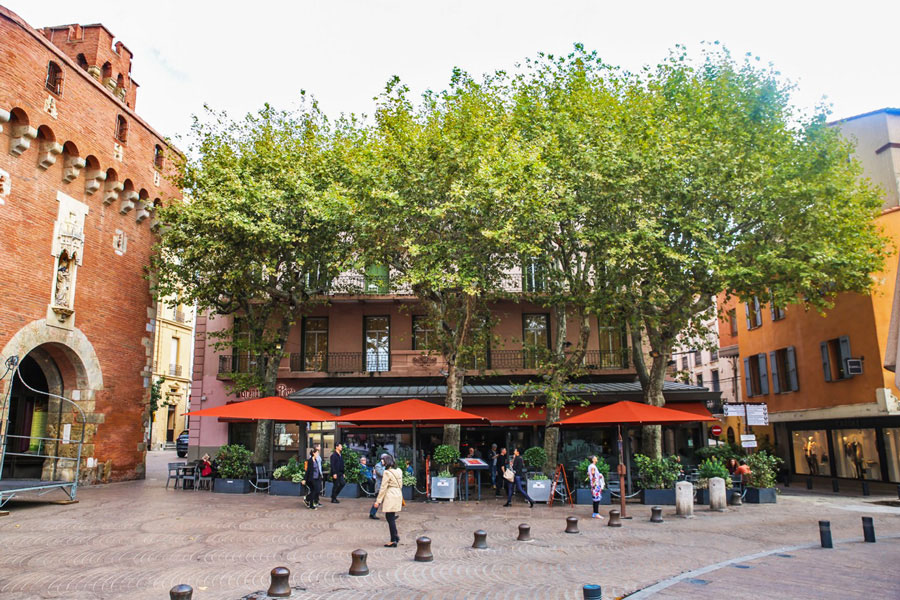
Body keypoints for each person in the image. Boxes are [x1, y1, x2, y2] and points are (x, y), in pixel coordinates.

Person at [374, 454, 403, 547]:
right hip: (398, 494)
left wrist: (378, 501)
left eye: (383, 461)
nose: (382, 462)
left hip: (390, 495)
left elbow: (383, 487)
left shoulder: (387, 473)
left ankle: (393, 539)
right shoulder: (399, 471)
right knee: (391, 516)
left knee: (390, 518)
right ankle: (395, 536)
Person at [369, 454, 388, 520]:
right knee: (378, 501)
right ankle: (372, 513)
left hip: (384, 486)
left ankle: (372, 513)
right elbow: (382, 474)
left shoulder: (386, 466)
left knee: (384, 501)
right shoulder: (378, 466)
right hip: (379, 486)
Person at [587, 455, 605, 519]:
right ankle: (596, 513)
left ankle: (595, 513)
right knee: (596, 499)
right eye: (595, 458)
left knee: (595, 499)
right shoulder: (592, 466)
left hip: (593, 484)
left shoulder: (590, 466)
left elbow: (589, 474)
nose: (596, 458)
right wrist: (595, 483)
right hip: (595, 485)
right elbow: (593, 474)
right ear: (593, 460)